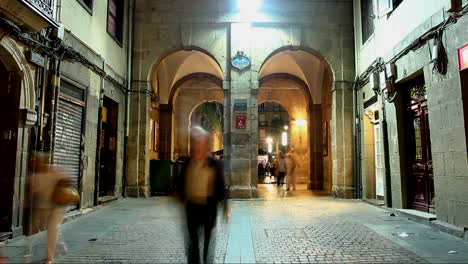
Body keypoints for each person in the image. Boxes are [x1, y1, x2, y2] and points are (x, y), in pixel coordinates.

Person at [177, 126, 229, 264]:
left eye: (200, 142)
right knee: (192, 242)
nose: (197, 145)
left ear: (206, 144)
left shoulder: (215, 164)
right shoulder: (187, 163)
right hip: (192, 207)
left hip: (208, 208)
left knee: (208, 242)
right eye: (195, 142)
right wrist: (182, 198)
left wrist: (225, 207)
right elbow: (181, 182)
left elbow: (221, 186)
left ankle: (207, 261)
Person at [31, 152, 70, 264]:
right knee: (52, 228)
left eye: (39, 160)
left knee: (52, 229)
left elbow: (67, 181)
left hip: (58, 206)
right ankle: (60, 246)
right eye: (36, 161)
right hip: (44, 206)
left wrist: (60, 187)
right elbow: (33, 194)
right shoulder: (35, 175)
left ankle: (50, 258)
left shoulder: (54, 170)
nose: (38, 163)